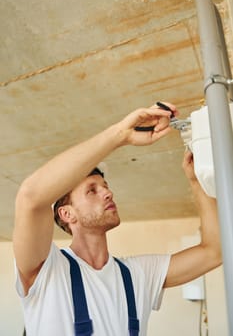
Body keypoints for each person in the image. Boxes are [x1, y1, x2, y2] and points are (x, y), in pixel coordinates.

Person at [13, 103, 222, 336]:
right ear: (67, 214)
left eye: (105, 187)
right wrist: (120, 135)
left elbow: (214, 250)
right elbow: (31, 197)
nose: (108, 193)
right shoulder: (47, 271)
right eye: (92, 190)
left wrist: (196, 181)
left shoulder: (136, 275)